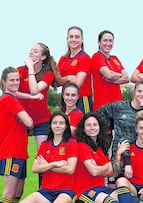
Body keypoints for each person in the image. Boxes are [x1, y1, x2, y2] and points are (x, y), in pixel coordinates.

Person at [96, 80, 143, 185]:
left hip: (138, 157)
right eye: (139, 91)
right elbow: (99, 113)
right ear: (134, 92)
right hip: (118, 155)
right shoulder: (119, 107)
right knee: (114, 187)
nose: (141, 94)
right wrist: (109, 128)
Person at [21, 112, 78, 203]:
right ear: (50, 125)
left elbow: (70, 169)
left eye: (61, 123)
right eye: (55, 123)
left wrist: (46, 165)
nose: (58, 126)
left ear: (66, 126)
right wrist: (54, 164)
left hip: (66, 190)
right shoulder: (45, 145)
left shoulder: (71, 143)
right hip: (45, 190)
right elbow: (35, 168)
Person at [0, 67, 33, 202]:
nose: (15, 83)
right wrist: (24, 119)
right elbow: (29, 122)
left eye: (17, 80)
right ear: (4, 82)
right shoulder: (8, 99)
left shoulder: (14, 99)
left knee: (18, 193)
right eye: (12, 80)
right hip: (11, 151)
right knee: (9, 193)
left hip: (20, 152)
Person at [17, 42, 57, 150]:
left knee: (42, 153)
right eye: (31, 50)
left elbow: (34, 90)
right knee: (18, 152)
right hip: (22, 118)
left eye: (35, 51)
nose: (31, 53)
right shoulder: (20, 71)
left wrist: (30, 68)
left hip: (41, 119)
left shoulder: (48, 74)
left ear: (43, 57)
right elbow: (12, 92)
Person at [75, 112, 120, 202]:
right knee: (112, 202)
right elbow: (94, 171)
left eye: (95, 125)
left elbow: (112, 172)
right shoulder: (81, 146)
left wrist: (117, 156)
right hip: (86, 190)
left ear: (99, 127)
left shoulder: (100, 148)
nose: (92, 128)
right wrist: (106, 166)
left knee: (128, 198)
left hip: (101, 188)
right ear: (83, 129)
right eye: (88, 125)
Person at [57, 26, 92, 113]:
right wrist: (69, 78)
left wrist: (62, 80)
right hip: (66, 100)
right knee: (66, 125)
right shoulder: (63, 59)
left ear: (82, 39)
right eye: (71, 36)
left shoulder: (84, 58)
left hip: (82, 100)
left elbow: (78, 83)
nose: (74, 39)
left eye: (77, 37)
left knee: (82, 125)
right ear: (67, 39)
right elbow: (56, 82)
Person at [91, 30, 129, 111]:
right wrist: (119, 75)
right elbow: (109, 75)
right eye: (105, 40)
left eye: (110, 41)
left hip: (118, 105)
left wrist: (112, 80)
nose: (108, 43)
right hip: (103, 105)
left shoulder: (115, 58)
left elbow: (126, 78)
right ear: (99, 42)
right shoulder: (97, 57)